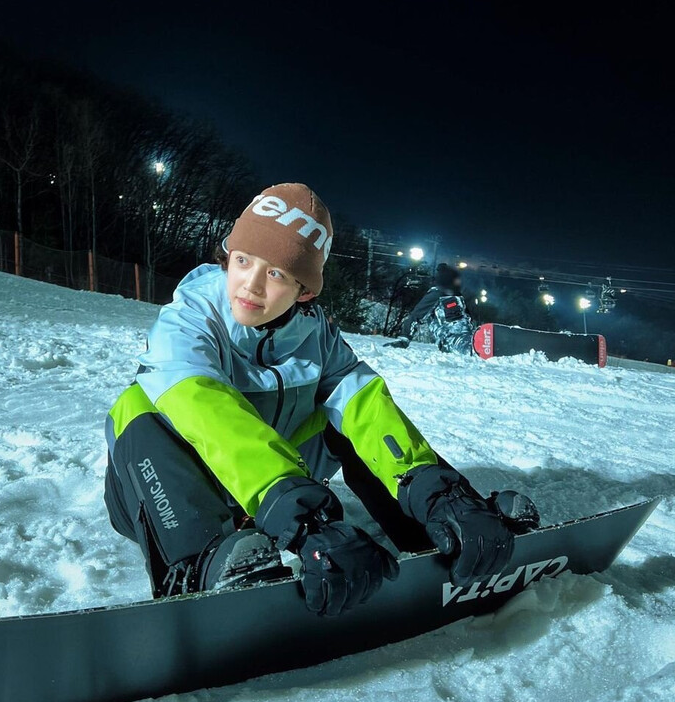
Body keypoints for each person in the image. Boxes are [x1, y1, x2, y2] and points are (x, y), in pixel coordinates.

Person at [103, 184, 537, 616]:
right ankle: (194, 571)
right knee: (137, 406)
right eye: (242, 261)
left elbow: (366, 409)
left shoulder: (318, 335)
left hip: (267, 503)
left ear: (304, 291)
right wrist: (304, 515)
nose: (250, 284)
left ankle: (435, 528)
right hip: (170, 500)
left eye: (275, 273)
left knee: (346, 409)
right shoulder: (188, 320)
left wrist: (436, 489)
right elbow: (208, 413)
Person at [392, 264, 474, 353]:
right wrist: (404, 339)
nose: (459, 282)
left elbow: (466, 320)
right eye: (456, 279)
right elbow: (416, 315)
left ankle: (480, 346)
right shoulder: (436, 294)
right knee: (472, 350)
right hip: (450, 341)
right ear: (449, 280)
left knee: (482, 344)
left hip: (467, 337)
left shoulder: (458, 297)